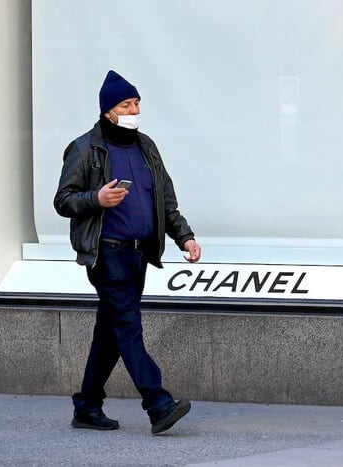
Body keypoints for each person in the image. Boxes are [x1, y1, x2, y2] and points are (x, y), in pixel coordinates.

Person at [54, 70, 202, 435]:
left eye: (136, 103)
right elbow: (63, 200)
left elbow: (164, 199)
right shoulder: (85, 148)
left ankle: (87, 406)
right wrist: (97, 198)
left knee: (111, 331)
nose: (133, 109)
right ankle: (158, 402)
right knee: (128, 326)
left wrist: (185, 237)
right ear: (108, 111)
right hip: (108, 253)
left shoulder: (145, 146)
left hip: (139, 254)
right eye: (126, 104)